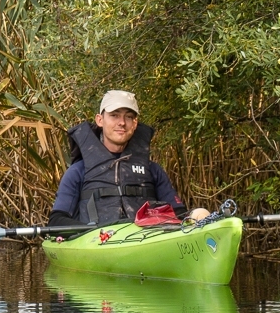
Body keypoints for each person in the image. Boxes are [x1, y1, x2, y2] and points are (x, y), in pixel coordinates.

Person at [48, 90, 190, 227]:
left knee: (200, 214)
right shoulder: (78, 171)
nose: (122, 122)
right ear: (100, 120)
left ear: (135, 124)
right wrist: (90, 233)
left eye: (128, 117)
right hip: (96, 241)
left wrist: (195, 215)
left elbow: (179, 213)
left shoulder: (153, 171)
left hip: (145, 240)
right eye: (114, 115)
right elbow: (57, 220)